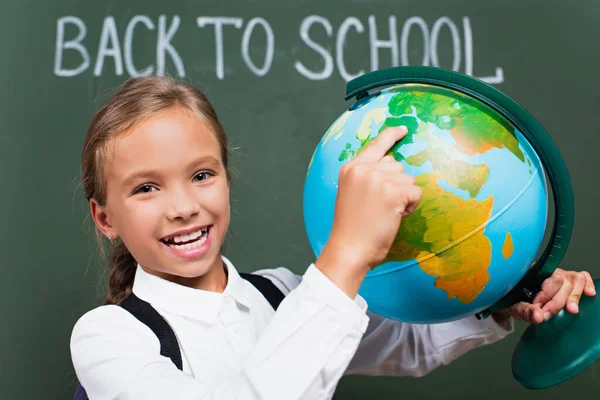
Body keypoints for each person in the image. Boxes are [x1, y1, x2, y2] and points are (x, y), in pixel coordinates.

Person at [70, 76, 595, 400]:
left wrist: (504, 303)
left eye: (202, 175)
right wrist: (346, 254)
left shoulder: (279, 293)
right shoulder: (107, 339)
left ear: (228, 180)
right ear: (104, 217)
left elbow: (407, 341)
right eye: (145, 188)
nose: (183, 207)